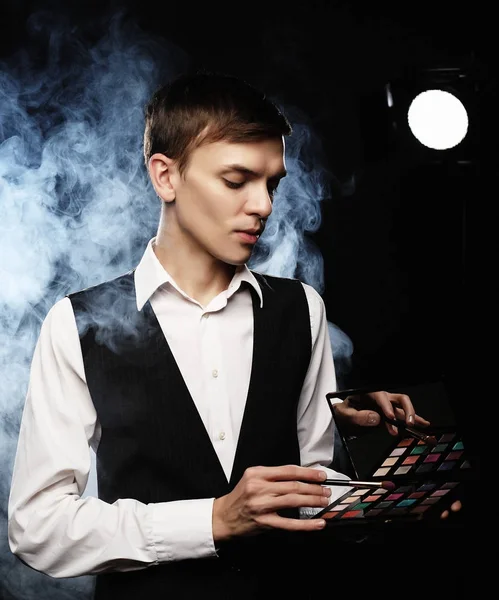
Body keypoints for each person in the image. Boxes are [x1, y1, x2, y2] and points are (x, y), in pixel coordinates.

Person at [7, 70, 461, 599]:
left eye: (272, 183)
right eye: (236, 180)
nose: (264, 206)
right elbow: (37, 528)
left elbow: (312, 491)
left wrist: (397, 497)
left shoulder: (300, 310)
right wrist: (213, 520)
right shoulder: (77, 323)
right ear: (165, 176)